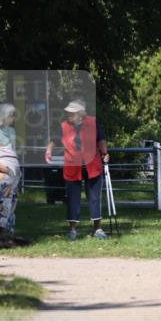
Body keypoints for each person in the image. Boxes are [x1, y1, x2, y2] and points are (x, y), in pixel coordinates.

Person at [45, 99, 109, 240]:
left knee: (94, 198)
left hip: (92, 166)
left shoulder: (93, 123)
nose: (68, 114)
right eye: (68, 112)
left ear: (80, 114)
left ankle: (97, 229)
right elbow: (53, 140)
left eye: (72, 113)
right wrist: (48, 151)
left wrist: (105, 153)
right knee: (72, 199)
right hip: (72, 167)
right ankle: (73, 230)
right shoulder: (63, 126)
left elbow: (101, 140)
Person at [0, 103, 20, 234]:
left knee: (12, 203)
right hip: (4, 175)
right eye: (11, 115)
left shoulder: (11, 131)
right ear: (4, 116)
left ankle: (8, 233)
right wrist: (8, 171)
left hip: (13, 175)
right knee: (2, 204)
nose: (13, 118)